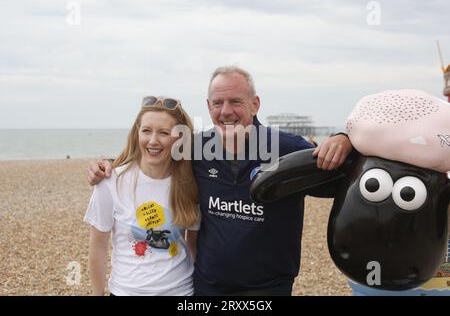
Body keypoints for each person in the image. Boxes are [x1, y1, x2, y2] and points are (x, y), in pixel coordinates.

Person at [87, 66, 352, 295]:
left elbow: (348, 181)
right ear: (208, 107)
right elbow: (154, 153)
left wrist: (344, 138)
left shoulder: (287, 148)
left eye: (235, 101)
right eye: (218, 103)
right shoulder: (196, 149)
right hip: (207, 285)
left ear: (255, 103)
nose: (226, 111)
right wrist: (108, 166)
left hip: (268, 286)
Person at [85, 96, 200, 296]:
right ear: (137, 132)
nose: (153, 140)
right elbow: (98, 248)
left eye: (164, 132)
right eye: (146, 130)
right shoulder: (111, 181)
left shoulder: (190, 183)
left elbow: (194, 245)